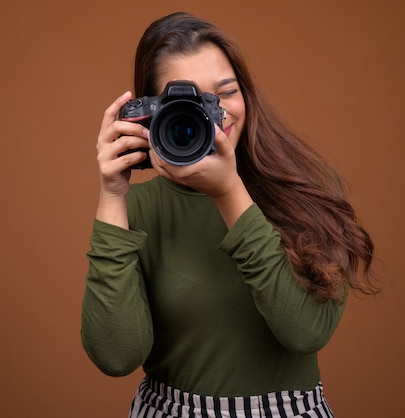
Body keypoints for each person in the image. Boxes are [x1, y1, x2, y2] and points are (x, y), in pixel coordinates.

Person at [81, 11, 379, 418]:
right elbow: (115, 356)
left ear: (247, 95)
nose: (211, 114)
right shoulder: (138, 207)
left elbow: (307, 330)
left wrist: (230, 192)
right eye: (185, 103)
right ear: (151, 114)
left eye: (224, 93)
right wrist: (112, 193)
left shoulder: (307, 188)